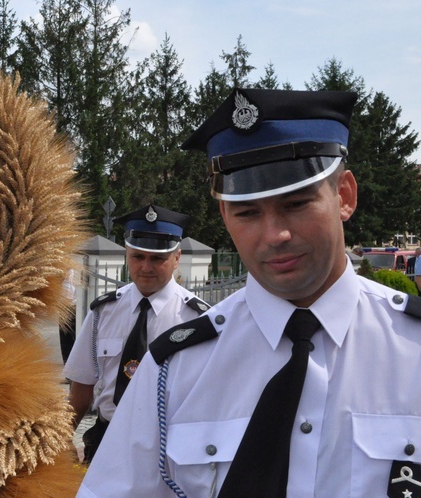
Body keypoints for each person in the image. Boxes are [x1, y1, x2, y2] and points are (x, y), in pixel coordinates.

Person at [77, 88, 421, 497]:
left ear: (344, 196)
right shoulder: (175, 368)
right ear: (225, 214)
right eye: (248, 212)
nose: (275, 235)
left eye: (296, 204)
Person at [63, 204, 209, 463]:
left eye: (157, 258)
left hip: (169, 446)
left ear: (176, 258)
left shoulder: (197, 319)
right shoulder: (103, 313)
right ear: (126, 255)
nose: (146, 267)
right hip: (107, 441)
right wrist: (62, 440)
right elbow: (82, 388)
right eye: (138, 257)